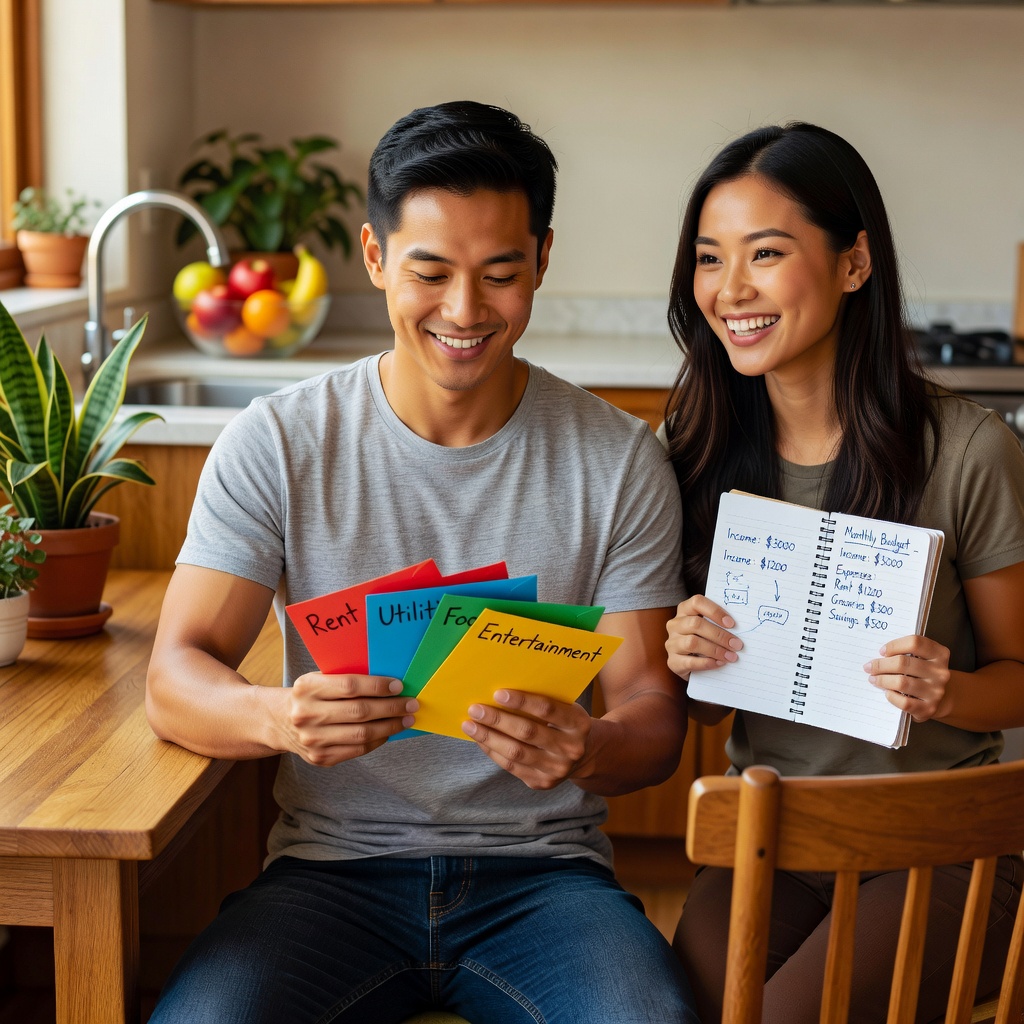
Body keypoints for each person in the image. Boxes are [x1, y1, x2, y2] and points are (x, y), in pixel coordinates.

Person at [145, 100, 699, 1024]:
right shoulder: (278, 441)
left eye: (501, 275)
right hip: (329, 876)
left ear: (544, 261)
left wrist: (589, 745)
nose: (465, 311)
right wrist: (279, 716)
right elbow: (173, 678)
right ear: (373, 257)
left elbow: (654, 718)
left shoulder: (617, 458)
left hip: (546, 883)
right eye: (430, 272)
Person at [663, 122, 1024, 1024]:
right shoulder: (699, 447)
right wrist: (691, 659)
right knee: (685, 1006)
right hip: (771, 835)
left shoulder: (971, 451)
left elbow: (1022, 682)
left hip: (941, 842)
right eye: (710, 258)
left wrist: (949, 692)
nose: (730, 289)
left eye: (767, 253)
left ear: (854, 263)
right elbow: (709, 710)